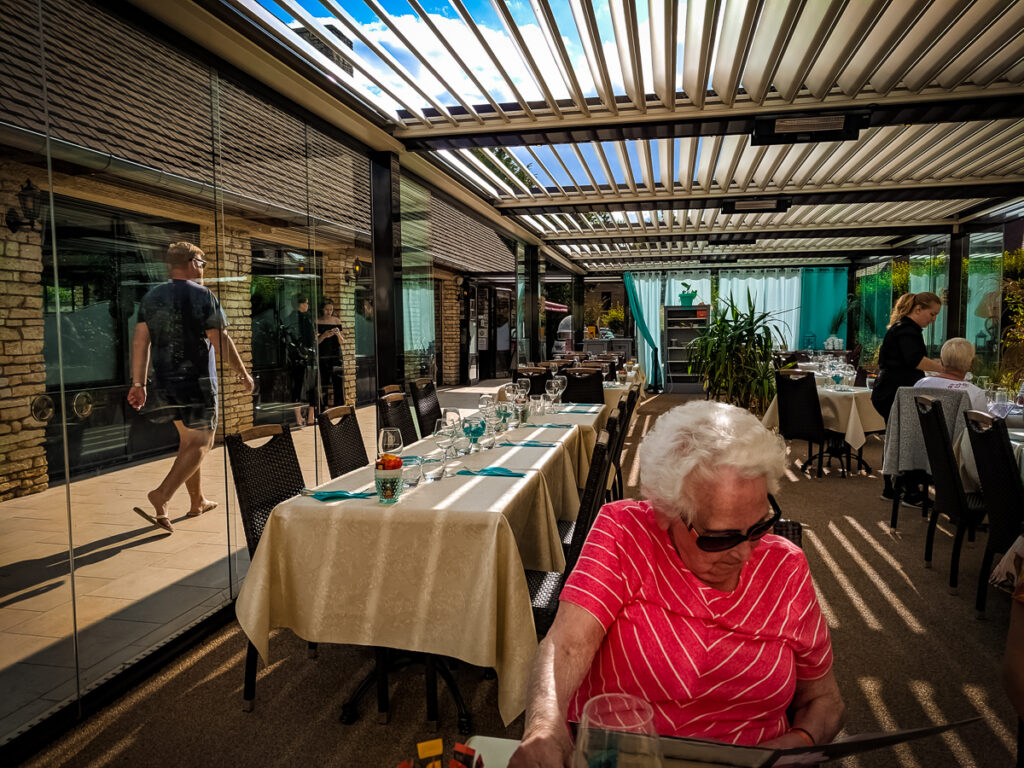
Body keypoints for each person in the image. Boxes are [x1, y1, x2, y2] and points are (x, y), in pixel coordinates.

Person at [509, 401, 844, 767]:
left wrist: (793, 745)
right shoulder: (624, 532)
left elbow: (823, 700)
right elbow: (566, 645)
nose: (746, 555)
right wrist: (545, 727)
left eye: (759, 527)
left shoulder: (787, 567)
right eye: (720, 538)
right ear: (665, 511)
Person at [127, 242, 254, 533]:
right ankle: (162, 495)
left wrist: (138, 383)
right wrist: (243, 374)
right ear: (191, 262)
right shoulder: (203, 296)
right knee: (202, 443)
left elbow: (140, 341)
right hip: (196, 383)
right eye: (203, 262)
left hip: (165, 382)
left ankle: (197, 501)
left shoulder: (152, 296)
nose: (204, 268)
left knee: (188, 443)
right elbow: (220, 339)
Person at [870, 291, 944, 502]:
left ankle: (895, 487)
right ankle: (904, 489)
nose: (934, 319)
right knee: (904, 439)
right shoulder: (908, 331)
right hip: (893, 392)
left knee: (898, 437)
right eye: (932, 314)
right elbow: (915, 360)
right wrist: (941, 366)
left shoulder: (903, 328)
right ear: (918, 309)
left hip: (890, 391)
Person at [912, 337, 987, 411]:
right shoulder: (975, 393)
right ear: (970, 364)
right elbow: (982, 423)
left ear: (942, 361)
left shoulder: (921, 384)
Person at [287, 295, 319, 427]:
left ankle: (299, 418)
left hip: (294, 359)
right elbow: (311, 339)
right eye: (306, 303)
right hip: (307, 359)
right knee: (312, 387)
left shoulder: (289, 318)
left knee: (297, 387)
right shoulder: (305, 319)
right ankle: (310, 417)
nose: (308, 305)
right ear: (300, 304)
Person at [316, 298, 345, 408]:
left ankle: (339, 406)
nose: (329, 312)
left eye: (331, 309)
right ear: (322, 309)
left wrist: (338, 334)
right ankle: (323, 406)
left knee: (338, 381)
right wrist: (324, 335)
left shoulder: (337, 321)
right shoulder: (317, 321)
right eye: (327, 309)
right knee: (323, 382)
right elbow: (316, 342)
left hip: (335, 354)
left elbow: (342, 341)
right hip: (322, 355)